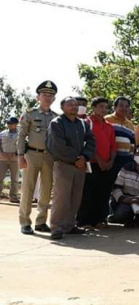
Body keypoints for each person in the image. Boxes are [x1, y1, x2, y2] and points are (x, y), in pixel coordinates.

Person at [46, 97, 96, 240]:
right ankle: (56, 228)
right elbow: (58, 146)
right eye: (70, 104)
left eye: (76, 104)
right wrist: (76, 159)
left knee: (75, 198)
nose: (74, 106)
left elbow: (91, 141)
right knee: (61, 198)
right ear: (62, 107)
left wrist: (84, 157)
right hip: (64, 164)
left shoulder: (83, 124)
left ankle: (69, 225)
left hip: (80, 165)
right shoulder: (57, 123)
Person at [17, 81, 58, 235]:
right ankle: (25, 222)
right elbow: (21, 136)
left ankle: (41, 221)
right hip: (32, 155)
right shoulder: (29, 114)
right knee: (28, 189)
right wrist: (20, 156)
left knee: (46, 190)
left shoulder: (56, 117)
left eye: (50, 95)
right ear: (37, 97)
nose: (47, 97)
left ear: (54, 99)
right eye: (44, 95)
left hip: (49, 156)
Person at [76, 97, 117, 229]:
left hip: (107, 166)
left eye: (106, 107)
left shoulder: (109, 126)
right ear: (93, 108)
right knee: (88, 192)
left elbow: (113, 146)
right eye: (100, 106)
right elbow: (86, 144)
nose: (104, 109)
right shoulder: (86, 123)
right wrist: (99, 160)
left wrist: (110, 161)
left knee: (103, 193)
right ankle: (84, 221)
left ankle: (100, 220)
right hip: (91, 163)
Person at [105, 96, 135, 182]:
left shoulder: (130, 124)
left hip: (125, 161)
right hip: (110, 160)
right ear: (115, 107)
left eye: (126, 106)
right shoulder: (106, 119)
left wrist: (130, 159)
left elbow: (132, 144)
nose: (124, 108)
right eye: (121, 105)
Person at [0, 116, 20, 203]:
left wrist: (15, 153)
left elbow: (23, 145)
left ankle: (13, 197)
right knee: (0, 177)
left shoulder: (20, 134)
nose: (9, 125)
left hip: (15, 159)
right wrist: (1, 153)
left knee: (14, 179)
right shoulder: (2, 133)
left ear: (16, 124)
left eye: (11, 123)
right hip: (2, 159)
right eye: (8, 123)